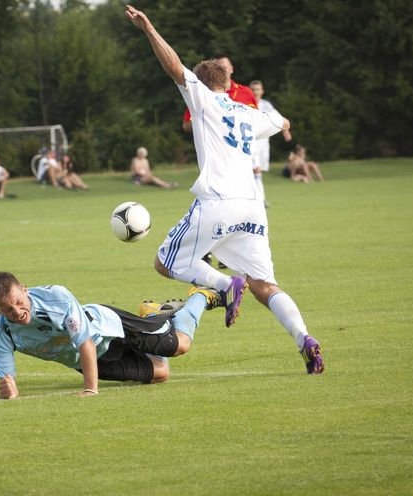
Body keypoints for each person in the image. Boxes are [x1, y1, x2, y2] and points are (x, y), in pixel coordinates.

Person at [125, 5, 324, 374]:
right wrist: (278, 122)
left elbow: (172, 65)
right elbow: (283, 121)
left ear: (201, 83)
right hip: (252, 206)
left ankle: (225, 284)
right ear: (227, 84)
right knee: (265, 285)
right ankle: (305, 339)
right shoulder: (247, 111)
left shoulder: (202, 97)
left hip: (217, 201)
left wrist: (149, 29)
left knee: (164, 262)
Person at [0, 271, 222, 398]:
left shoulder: (55, 297)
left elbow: (84, 342)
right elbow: (7, 378)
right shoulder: (2, 332)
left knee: (180, 345)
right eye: (7, 309)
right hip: (89, 361)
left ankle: (200, 296)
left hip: (111, 328)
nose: (16, 312)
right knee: (161, 373)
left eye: (18, 302)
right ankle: (153, 316)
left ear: (25, 290)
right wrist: (9, 389)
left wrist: (90, 388)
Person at [182, 55, 257, 132]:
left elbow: (257, 120)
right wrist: (209, 121)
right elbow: (186, 125)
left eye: (224, 68)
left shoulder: (246, 92)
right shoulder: (202, 94)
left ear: (232, 69)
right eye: (217, 69)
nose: (221, 72)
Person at [249, 80, 292, 206]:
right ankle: (260, 200)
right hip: (251, 142)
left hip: (263, 143)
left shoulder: (266, 105)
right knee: (255, 170)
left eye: (258, 89)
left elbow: (278, 119)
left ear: (262, 91)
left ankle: (256, 199)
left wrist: (285, 132)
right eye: (253, 89)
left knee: (258, 171)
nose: (255, 92)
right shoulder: (245, 103)